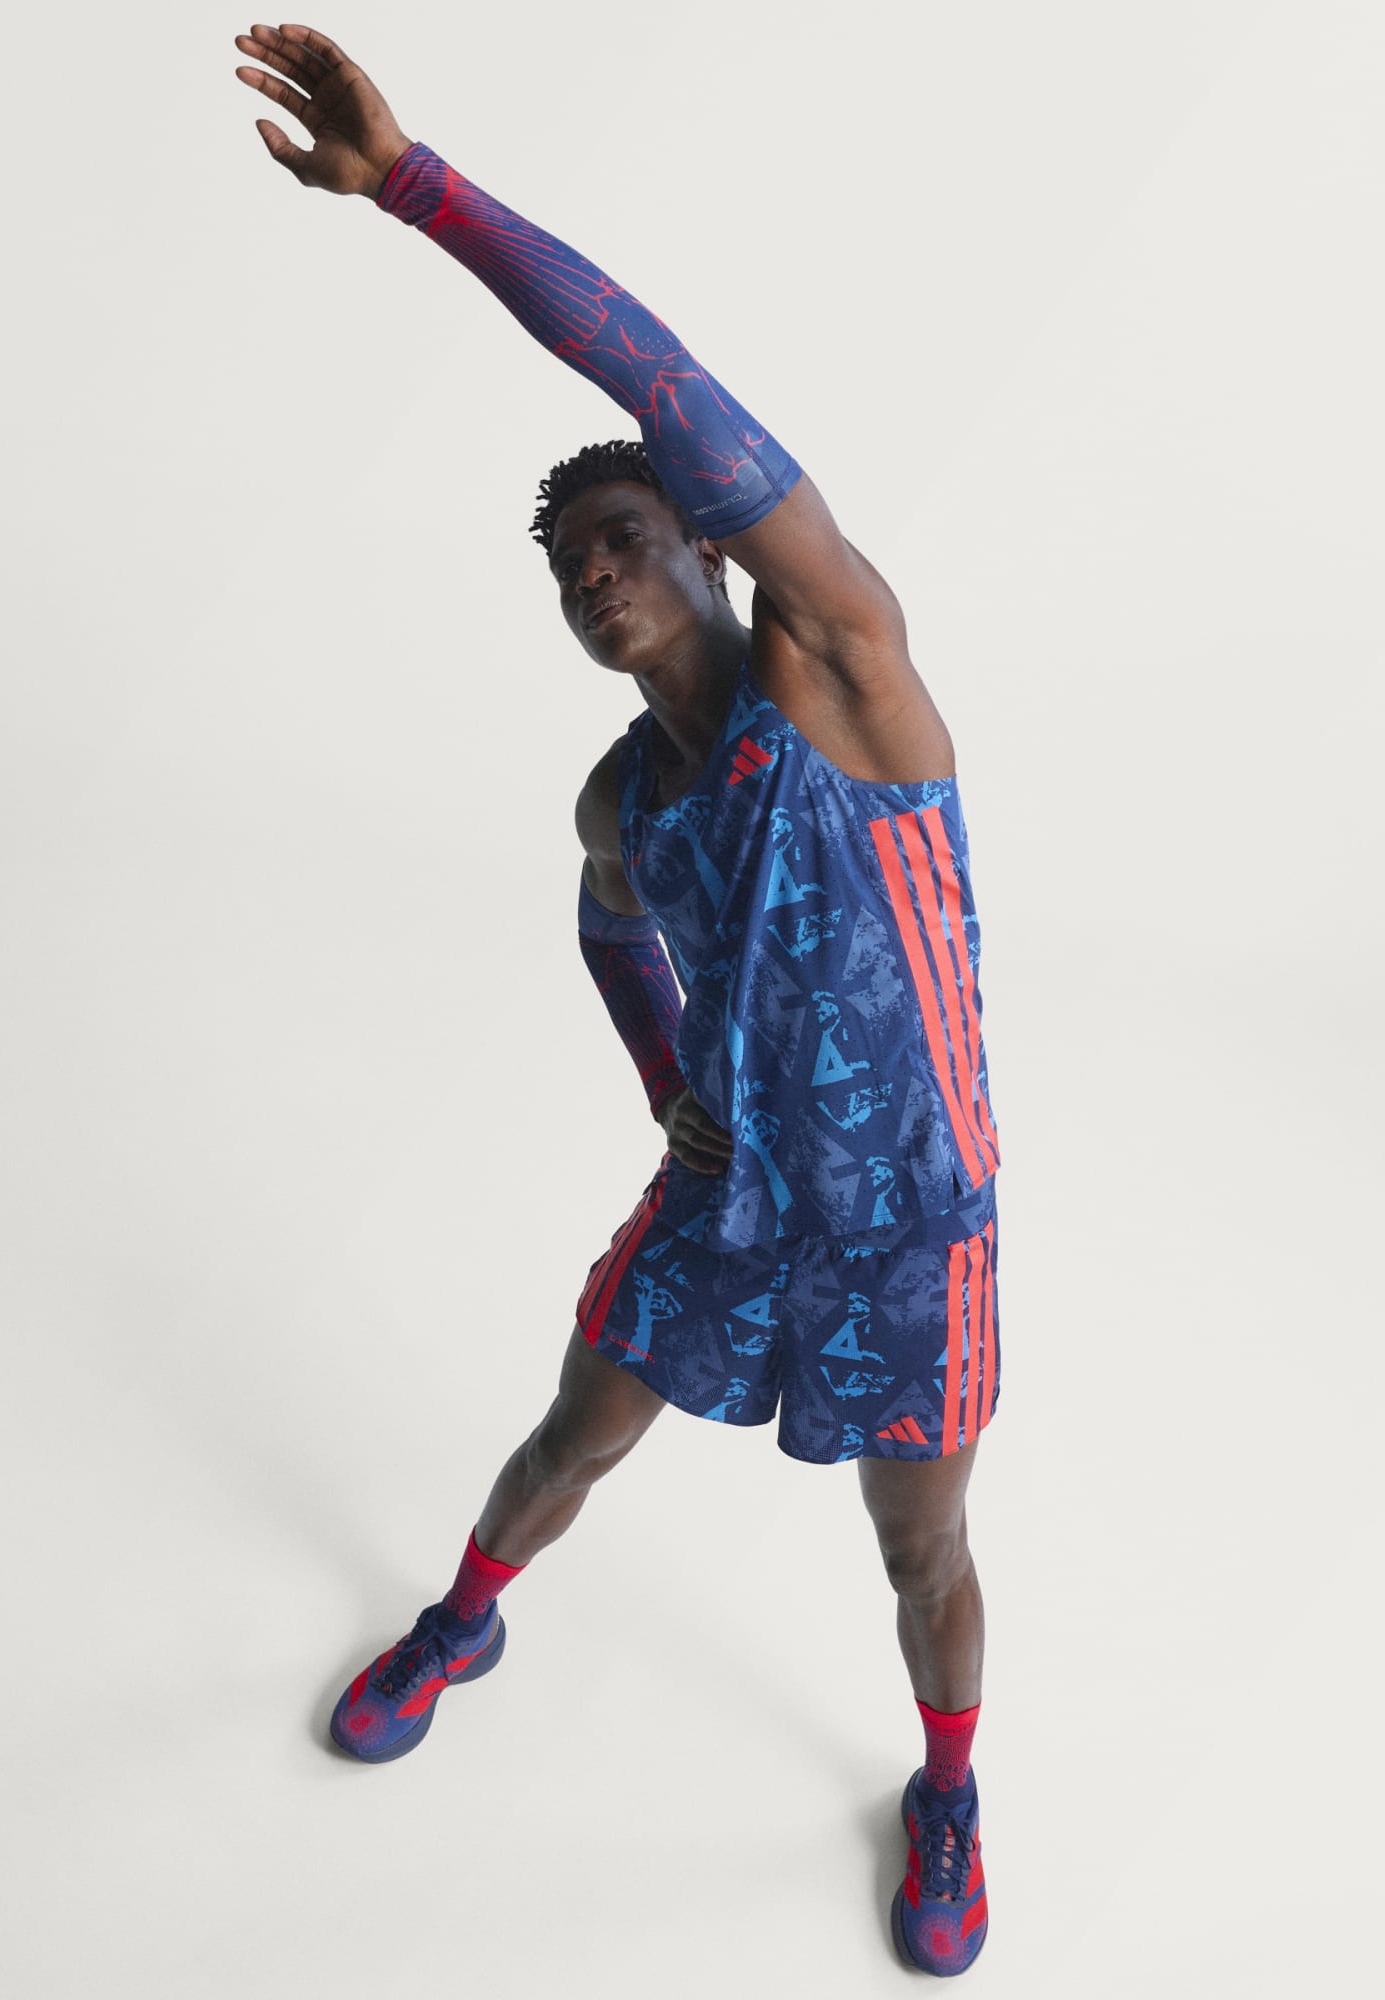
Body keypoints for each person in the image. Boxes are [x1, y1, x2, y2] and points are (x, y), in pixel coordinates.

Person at [234, 21, 1001, 1976]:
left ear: (708, 551)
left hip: (908, 1217)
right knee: (570, 1431)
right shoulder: (623, 802)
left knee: (921, 1546)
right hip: (724, 1204)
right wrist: (672, 1090)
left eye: (627, 538)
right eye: (569, 564)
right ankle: (463, 1618)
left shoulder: (843, 671)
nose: (594, 576)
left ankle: (946, 1784)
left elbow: (651, 369)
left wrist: (419, 192)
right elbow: (604, 926)